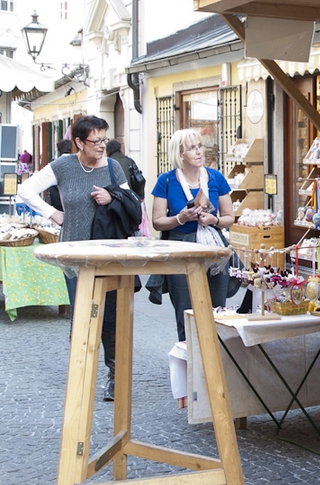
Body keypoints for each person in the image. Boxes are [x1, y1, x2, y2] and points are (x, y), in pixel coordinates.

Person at [17, 116, 133, 401]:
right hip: (74, 255)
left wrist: (112, 197)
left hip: (109, 254)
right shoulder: (64, 166)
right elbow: (25, 189)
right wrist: (52, 213)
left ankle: (115, 375)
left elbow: (130, 203)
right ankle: (81, 373)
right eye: (96, 141)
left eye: (104, 139)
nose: (102, 146)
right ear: (79, 142)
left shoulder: (113, 167)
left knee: (110, 316)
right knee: (82, 313)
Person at [151, 128, 235, 344]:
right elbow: (157, 221)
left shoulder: (216, 178)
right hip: (181, 248)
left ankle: (217, 355)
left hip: (213, 248)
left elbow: (229, 217)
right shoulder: (166, 180)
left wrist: (214, 220)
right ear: (180, 154)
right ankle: (189, 357)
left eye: (200, 146)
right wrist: (180, 218)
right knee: (185, 309)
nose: (199, 152)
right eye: (192, 148)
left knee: (217, 308)